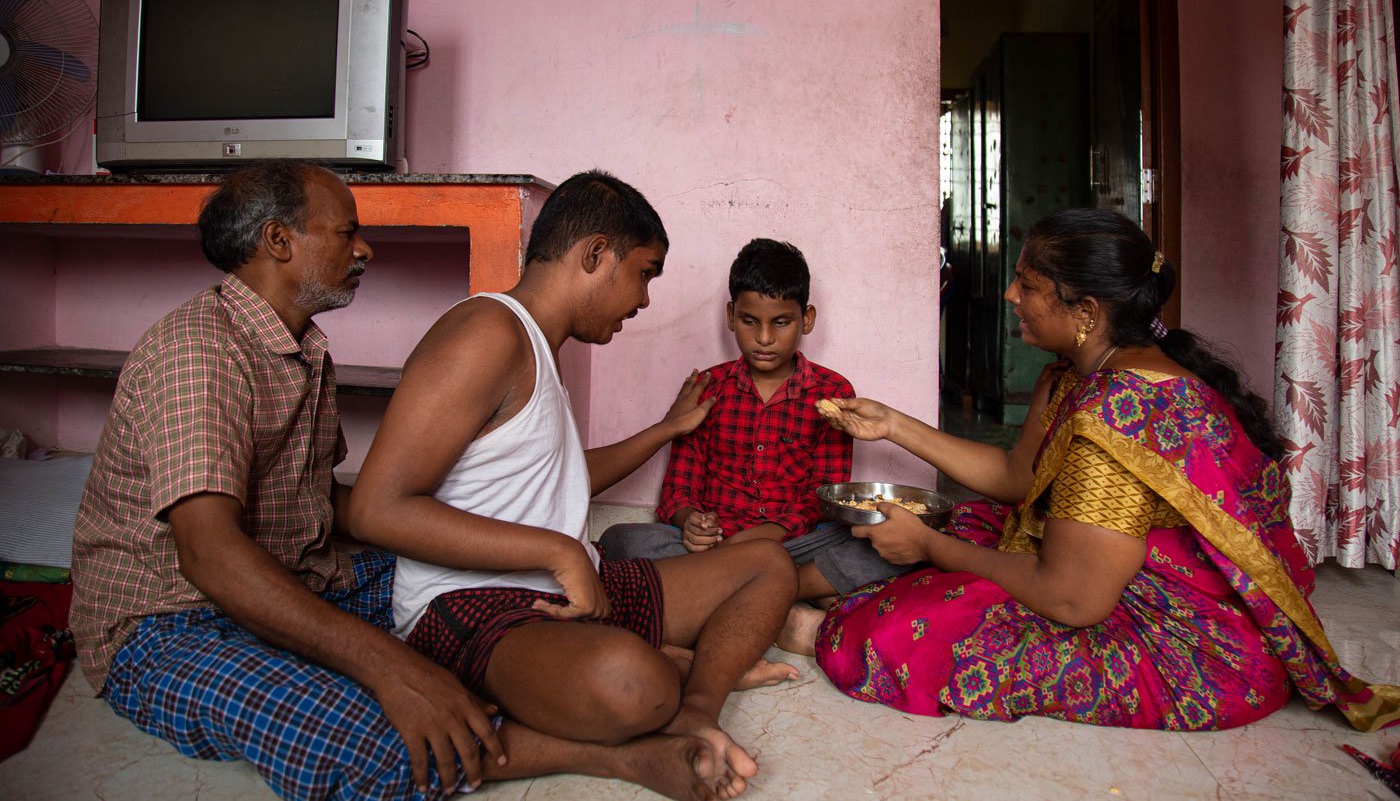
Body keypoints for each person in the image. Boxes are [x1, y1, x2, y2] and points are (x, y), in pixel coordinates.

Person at [804, 208, 1400, 732]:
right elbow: (1017, 477)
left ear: (1085, 310)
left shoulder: (1117, 416)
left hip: (1193, 649)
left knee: (899, 635)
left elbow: (1070, 600)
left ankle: (811, 624)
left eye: (1027, 284)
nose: (1011, 296)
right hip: (1102, 569)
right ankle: (816, 587)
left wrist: (930, 547)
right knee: (967, 523)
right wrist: (891, 424)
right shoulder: (1071, 373)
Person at [342, 171, 799, 800]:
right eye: (644, 273)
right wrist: (556, 552)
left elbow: (559, 474)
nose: (643, 300)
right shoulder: (487, 332)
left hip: (568, 586)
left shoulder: (539, 345)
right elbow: (375, 509)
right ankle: (649, 696)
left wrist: (665, 430)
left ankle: (697, 709)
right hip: (472, 604)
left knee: (769, 567)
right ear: (594, 256)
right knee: (633, 685)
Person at [70, 161, 507, 801]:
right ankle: (619, 757)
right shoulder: (198, 350)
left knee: (475, 588)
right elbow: (210, 557)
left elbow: (320, 500)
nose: (365, 250)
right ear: (279, 241)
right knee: (362, 737)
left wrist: (441, 530)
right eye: (346, 232)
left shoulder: (304, 350)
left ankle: (556, 687)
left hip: (298, 577)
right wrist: (390, 665)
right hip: (169, 622)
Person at [599, 238, 910, 648]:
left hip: (791, 545)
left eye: (781, 322)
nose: (764, 338)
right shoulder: (706, 389)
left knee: (882, 544)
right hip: (714, 545)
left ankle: (745, 593)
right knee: (619, 541)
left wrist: (764, 535)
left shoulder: (832, 391)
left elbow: (824, 496)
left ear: (807, 319)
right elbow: (678, 489)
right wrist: (690, 521)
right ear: (730, 316)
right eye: (749, 321)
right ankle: (782, 604)